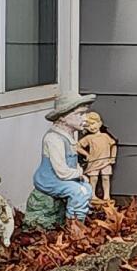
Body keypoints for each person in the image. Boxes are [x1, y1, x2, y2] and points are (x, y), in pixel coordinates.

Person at [31, 95, 96, 228]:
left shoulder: (69, 136)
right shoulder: (54, 138)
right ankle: (74, 227)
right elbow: (61, 172)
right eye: (80, 114)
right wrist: (79, 173)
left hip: (65, 176)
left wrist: (80, 174)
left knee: (87, 188)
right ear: (62, 117)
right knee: (78, 191)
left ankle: (79, 218)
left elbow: (72, 161)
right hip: (49, 179)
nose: (85, 118)